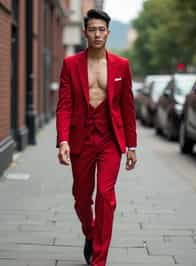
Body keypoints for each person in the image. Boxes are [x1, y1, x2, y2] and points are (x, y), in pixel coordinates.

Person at [56, 9, 137, 266]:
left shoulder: (121, 65)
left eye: (102, 29)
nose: (97, 34)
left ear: (108, 33)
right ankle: (90, 233)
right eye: (92, 29)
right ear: (85, 33)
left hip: (110, 140)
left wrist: (132, 146)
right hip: (81, 139)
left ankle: (99, 259)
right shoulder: (70, 64)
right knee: (81, 199)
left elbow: (128, 108)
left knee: (105, 194)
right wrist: (63, 140)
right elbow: (64, 105)